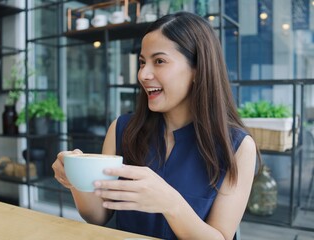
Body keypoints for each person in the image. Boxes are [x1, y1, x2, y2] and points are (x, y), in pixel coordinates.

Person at [52, 11, 260, 240]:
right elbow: (98, 216)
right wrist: (75, 178)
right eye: (142, 62)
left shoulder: (238, 147)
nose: (143, 74)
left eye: (159, 61)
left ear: (198, 69)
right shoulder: (122, 129)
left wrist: (170, 203)